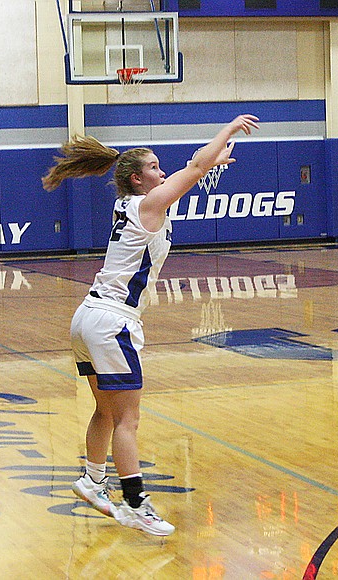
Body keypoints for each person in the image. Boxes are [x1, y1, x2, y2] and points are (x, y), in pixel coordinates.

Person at [42, 114, 260, 535]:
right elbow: (194, 166)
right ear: (139, 180)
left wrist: (209, 164)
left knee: (106, 411)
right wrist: (229, 128)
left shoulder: (130, 204)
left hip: (87, 316)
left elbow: (195, 169)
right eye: (155, 168)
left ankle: (92, 479)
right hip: (112, 323)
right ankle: (135, 503)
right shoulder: (147, 205)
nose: (162, 172)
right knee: (128, 420)